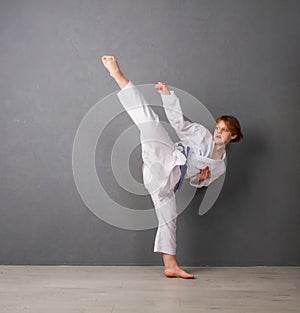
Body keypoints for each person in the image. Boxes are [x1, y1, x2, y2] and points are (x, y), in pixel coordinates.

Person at [101, 55, 243, 279]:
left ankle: (171, 266)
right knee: (150, 122)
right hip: (167, 156)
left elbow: (197, 182)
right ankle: (118, 75)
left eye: (224, 130)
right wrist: (167, 96)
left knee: (169, 218)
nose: (218, 131)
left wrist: (202, 178)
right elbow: (179, 124)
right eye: (217, 127)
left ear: (233, 136)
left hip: (166, 181)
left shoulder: (220, 168)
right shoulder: (201, 134)